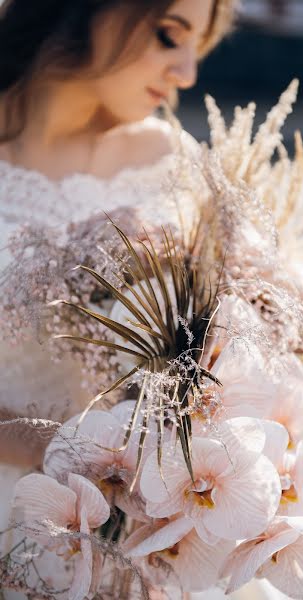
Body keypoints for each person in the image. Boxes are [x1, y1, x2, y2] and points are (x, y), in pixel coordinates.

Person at [0, 2, 236, 596]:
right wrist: (42, 444)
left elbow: (249, 320)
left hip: (149, 533)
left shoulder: (168, 157)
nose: (186, 73)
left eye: (197, 51)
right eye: (167, 36)